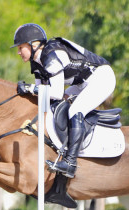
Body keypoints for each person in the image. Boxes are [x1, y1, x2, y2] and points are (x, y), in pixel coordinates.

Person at [11, 23, 116, 178]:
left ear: (33, 45)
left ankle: (70, 163)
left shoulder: (51, 56)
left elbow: (56, 92)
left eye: (20, 48)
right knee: (57, 107)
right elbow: (44, 97)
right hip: (81, 83)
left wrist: (29, 88)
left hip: (101, 78)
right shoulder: (36, 61)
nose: (18, 52)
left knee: (75, 110)